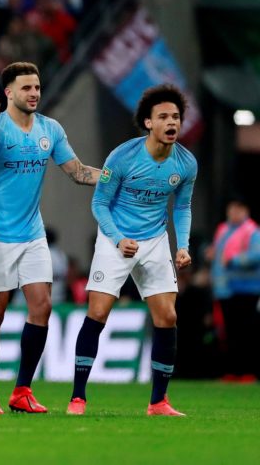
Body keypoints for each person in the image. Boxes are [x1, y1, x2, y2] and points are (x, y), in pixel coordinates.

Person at [0, 62, 100, 414]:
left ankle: (22, 390)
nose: (34, 94)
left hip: (32, 233)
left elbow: (78, 172)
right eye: (26, 88)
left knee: (42, 307)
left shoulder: (50, 129)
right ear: (8, 92)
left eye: (37, 87)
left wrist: (116, 177)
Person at [68, 84, 197, 416]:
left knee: (167, 316)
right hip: (116, 238)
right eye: (163, 117)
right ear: (148, 123)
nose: (172, 122)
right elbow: (100, 203)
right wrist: (117, 239)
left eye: (176, 117)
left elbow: (182, 207)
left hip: (155, 240)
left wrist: (182, 245)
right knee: (98, 312)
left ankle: (158, 402)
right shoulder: (122, 156)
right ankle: (78, 398)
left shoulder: (186, 163)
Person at [207, 198, 260, 382]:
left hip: (246, 288)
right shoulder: (223, 230)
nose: (233, 214)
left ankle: (247, 372)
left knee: (245, 331)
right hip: (224, 289)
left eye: (237, 210)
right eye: (231, 210)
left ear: (245, 211)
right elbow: (218, 255)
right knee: (229, 332)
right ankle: (232, 371)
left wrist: (234, 260)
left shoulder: (252, 231)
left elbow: (257, 254)